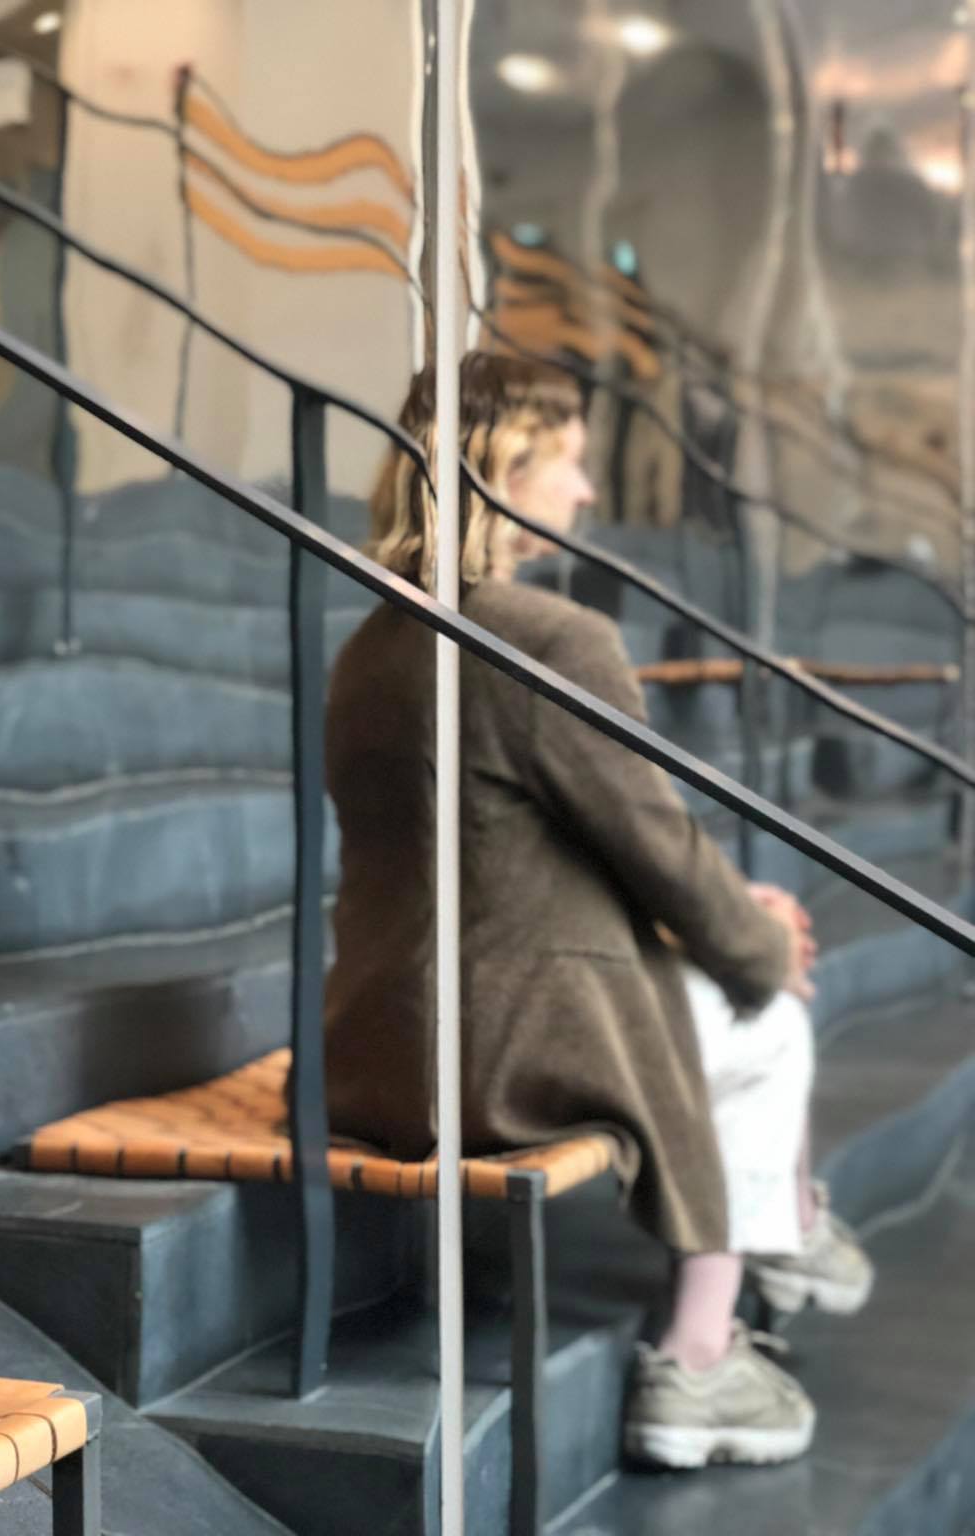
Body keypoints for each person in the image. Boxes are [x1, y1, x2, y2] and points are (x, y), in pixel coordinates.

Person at [322, 352, 874, 1471]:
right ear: (504, 468)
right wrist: (756, 943)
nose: (584, 492)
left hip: (377, 1046)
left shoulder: (368, 645)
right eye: (567, 463)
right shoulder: (544, 638)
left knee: (729, 958)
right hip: (499, 1049)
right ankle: (701, 1355)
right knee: (767, 1024)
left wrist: (725, 923)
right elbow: (653, 846)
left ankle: (792, 1227)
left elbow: (523, 861)